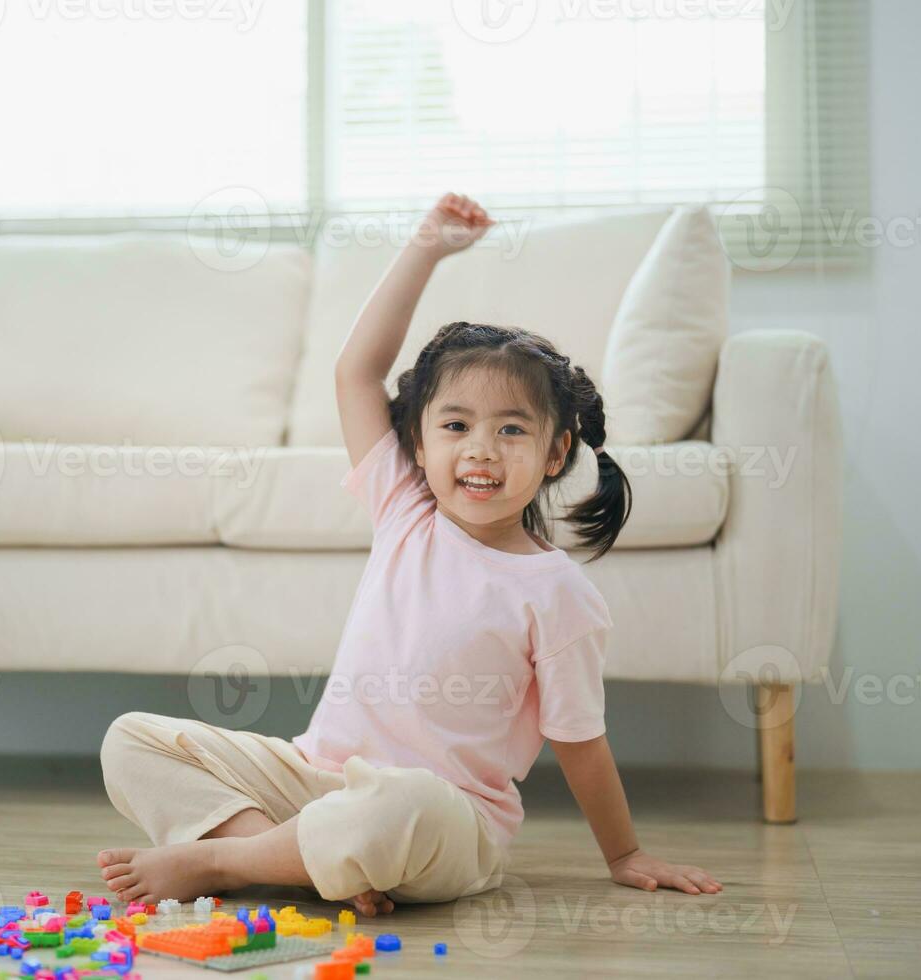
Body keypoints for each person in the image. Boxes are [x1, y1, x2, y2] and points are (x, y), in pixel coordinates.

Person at [97, 193, 723, 916]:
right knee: (130, 742)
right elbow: (356, 373)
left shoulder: (557, 593)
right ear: (418, 447)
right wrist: (426, 246)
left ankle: (230, 860)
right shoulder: (405, 512)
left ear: (556, 453)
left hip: (445, 819)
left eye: (512, 430)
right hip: (315, 777)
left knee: (398, 804)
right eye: (457, 425)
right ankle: (299, 858)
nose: (482, 448)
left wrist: (624, 853)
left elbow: (581, 741)